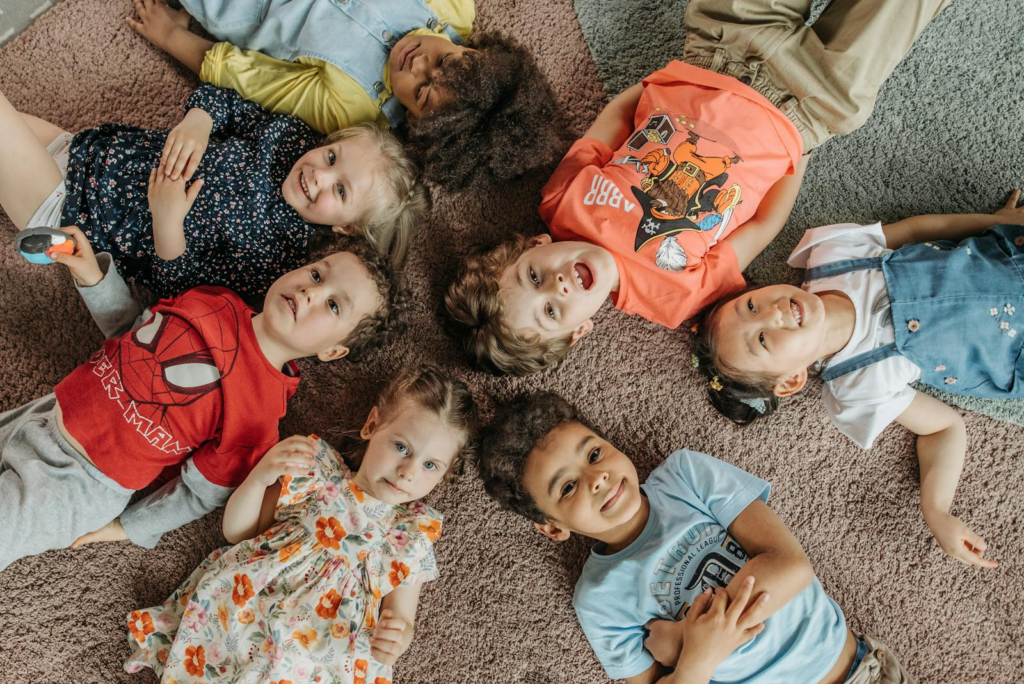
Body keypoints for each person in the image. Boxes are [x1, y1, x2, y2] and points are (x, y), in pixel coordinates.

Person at [445, 0, 951, 375]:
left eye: (533, 276)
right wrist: (799, 148)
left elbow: (612, 121)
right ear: (580, 331)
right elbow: (762, 225)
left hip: (720, 46)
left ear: (534, 246)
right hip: (810, 103)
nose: (556, 285)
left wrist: (664, 82)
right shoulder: (672, 300)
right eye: (551, 311)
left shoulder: (560, 203)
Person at [0, 228, 406, 572]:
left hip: (82, 484)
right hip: (46, 413)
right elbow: (132, 331)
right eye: (317, 274)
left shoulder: (259, 417)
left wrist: (129, 527)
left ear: (332, 351)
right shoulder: (212, 300)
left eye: (333, 305)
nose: (311, 291)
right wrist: (94, 277)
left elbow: (198, 493)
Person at [478, 392, 915, 684]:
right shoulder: (598, 599)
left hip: (857, 672)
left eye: (594, 453)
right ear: (553, 527)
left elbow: (791, 567)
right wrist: (698, 656)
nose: (597, 478)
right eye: (568, 486)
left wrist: (686, 639)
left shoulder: (685, 475)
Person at [689, 195, 1024, 569]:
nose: (772, 313)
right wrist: (936, 509)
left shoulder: (833, 255)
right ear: (791, 380)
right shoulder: (858, 387)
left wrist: (994, 222)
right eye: (763, 339)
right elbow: (943, 427)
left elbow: (918, 229)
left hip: (1009, 257)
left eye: (751, 306)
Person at [124, 364, 478, 683]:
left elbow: (402, 615)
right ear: (372, 425)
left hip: (327, 650)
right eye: (401, 447)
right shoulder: (317, 474)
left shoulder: (410, 536)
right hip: (252, 609)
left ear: (443, 474)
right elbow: (238, 533)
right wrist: (260, 478)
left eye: (430, 465)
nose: (408, 471)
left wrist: (396, 639)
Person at [0, 83, 426, 296]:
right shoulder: (291, 139)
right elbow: (225, 102)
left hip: (77, 213)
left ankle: (52, 239)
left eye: (341, 191)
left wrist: (168, 220)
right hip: (87, 150)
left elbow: (179, 289)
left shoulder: (276, 258)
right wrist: (199, 121)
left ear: (347, 228)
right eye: (331, 157)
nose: (319, 175)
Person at [125, 0, 563, 190]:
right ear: (475, 51)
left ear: (415, 121)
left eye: (421, 91)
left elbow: (250, 77)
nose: (417, 63)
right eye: (444, 61)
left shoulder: (351, 107)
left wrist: (171, 36)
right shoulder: (452, 9)